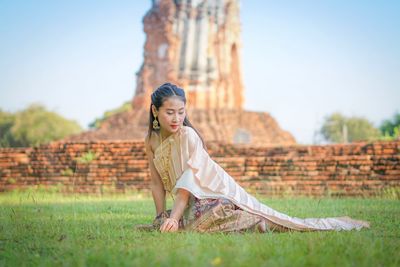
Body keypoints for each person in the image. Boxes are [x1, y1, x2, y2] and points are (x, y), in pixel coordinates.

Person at [136, 82, 370, 233]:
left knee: (200, 219)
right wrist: (160, 216)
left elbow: (188, 181)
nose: (176, 118)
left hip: (207, 194)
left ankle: (255, 222)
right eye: (169, 112)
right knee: (176, 225)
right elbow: (156, 182)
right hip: (186, 201)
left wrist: (174, 218)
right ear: (155, 111)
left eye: (181, 112)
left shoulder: (187, 134)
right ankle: (249, 224)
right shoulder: (151, 140)